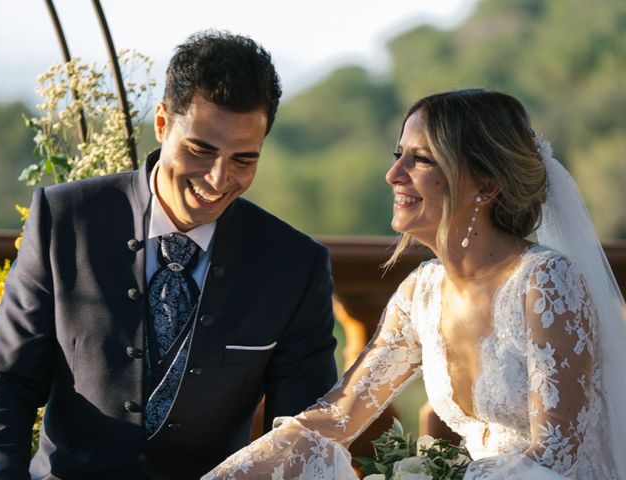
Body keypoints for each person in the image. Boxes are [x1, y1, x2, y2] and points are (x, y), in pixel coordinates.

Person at [203, 89, 626, 479]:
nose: (393, 174)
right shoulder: (421, 293)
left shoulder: (546, 282)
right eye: (398, 154)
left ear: (485, 186)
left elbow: (556, 455)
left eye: (420, 159)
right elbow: (338, 416)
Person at [0, 31, 338, 479]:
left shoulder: (295, 265)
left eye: (243, 160)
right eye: (200, 150)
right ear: (161, 123)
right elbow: (6, 382)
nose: (217, 179)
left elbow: (301, 434)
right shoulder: (63, 219)